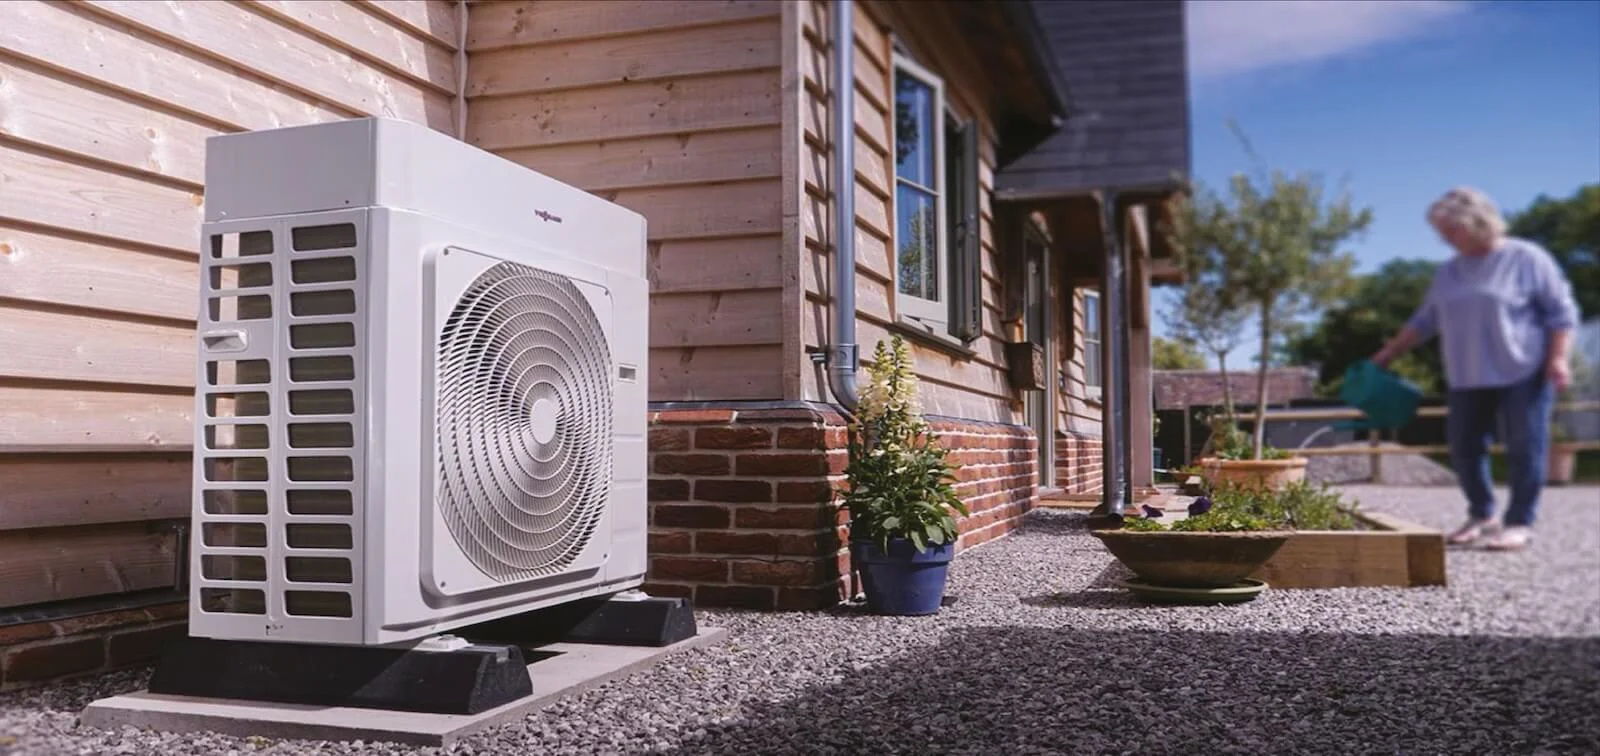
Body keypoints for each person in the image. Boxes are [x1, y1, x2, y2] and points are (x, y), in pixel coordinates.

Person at [1370, 186, 1581, 551]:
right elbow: (1424, 320)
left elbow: (1561, 313)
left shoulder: (1526, 258)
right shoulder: (1450, 272)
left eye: (1450, 230)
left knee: (1525, 446)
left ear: (1477, 222)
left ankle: (1519, 521)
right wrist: (1389, 352)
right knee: (1464, 447)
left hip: (1523, 369)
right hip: (1467, 374)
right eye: (1442, 232)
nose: (1444, 239)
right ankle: (1483, 515)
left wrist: (1558, 358)